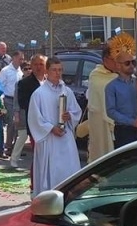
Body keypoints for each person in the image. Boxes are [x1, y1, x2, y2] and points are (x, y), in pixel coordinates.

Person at [28, 56, 82, 190]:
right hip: (49, 139)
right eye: (54, 70)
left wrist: (69, 115)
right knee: (52, 171)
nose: (58, 73)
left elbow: (76, 111)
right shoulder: (39, 94)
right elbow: (34, 118)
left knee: (69, 169)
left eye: (60, 70)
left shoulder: (67, 91)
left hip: (65, 137)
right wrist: (51, 128)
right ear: (47, 71)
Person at [105, 37, 137, 147]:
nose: (131, 66)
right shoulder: (111, 87)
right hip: (123, 130)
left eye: (133, 62)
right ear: (118, 65)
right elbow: (111, 111)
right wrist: (131, 122)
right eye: (127, 63)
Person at [81, 40, 121, 161]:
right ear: (106, 59)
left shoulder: (125, 75)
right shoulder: (96, 75)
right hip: (102, 123)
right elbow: (100, 97)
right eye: (114, 59)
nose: (117, 63)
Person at [10, 53, 44, 170]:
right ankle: (14, 159)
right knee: (22, 137)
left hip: (46, 123)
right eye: (34, 65)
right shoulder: (22, 83)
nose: (38, 67)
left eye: (41, 64)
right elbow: (19, 101)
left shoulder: (49, 81)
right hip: (27, 117)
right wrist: (16, 114)